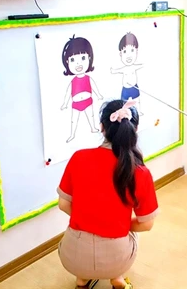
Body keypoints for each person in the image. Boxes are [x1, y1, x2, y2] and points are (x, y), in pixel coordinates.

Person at [56, 98, 159, 289]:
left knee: (81, 242)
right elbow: (147, 224)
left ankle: (82, 279)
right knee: (135, 233)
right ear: (134, 130)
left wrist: (90, 219)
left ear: (102, 127)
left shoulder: (79, 158)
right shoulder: (140, 172)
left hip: (72, 256)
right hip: (116, 257)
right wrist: (112, 223)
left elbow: (63, 205)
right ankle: (117, 277)